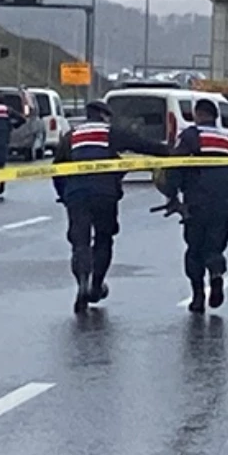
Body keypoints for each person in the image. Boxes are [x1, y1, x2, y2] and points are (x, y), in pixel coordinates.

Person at [53, 101, 168, 314]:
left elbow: (57, 168)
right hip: (104, 194)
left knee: (80, 242)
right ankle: (96, 285)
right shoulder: (109, 133)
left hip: (76, 194)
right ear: (103, 116)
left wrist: (64, 195)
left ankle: (82, 283)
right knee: (104, 238)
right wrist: (172, 153)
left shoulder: (71, 136)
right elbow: (142, 145)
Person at [158, 99, 228, 314]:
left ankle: (198, 296)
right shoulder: (227, 139)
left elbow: (175, 166)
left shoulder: (191, 136)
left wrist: (172, 196)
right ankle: (216, 275)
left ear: (198, 115)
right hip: (224, 201)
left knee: (195, 248)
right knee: (215, 245)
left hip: (197, 202)